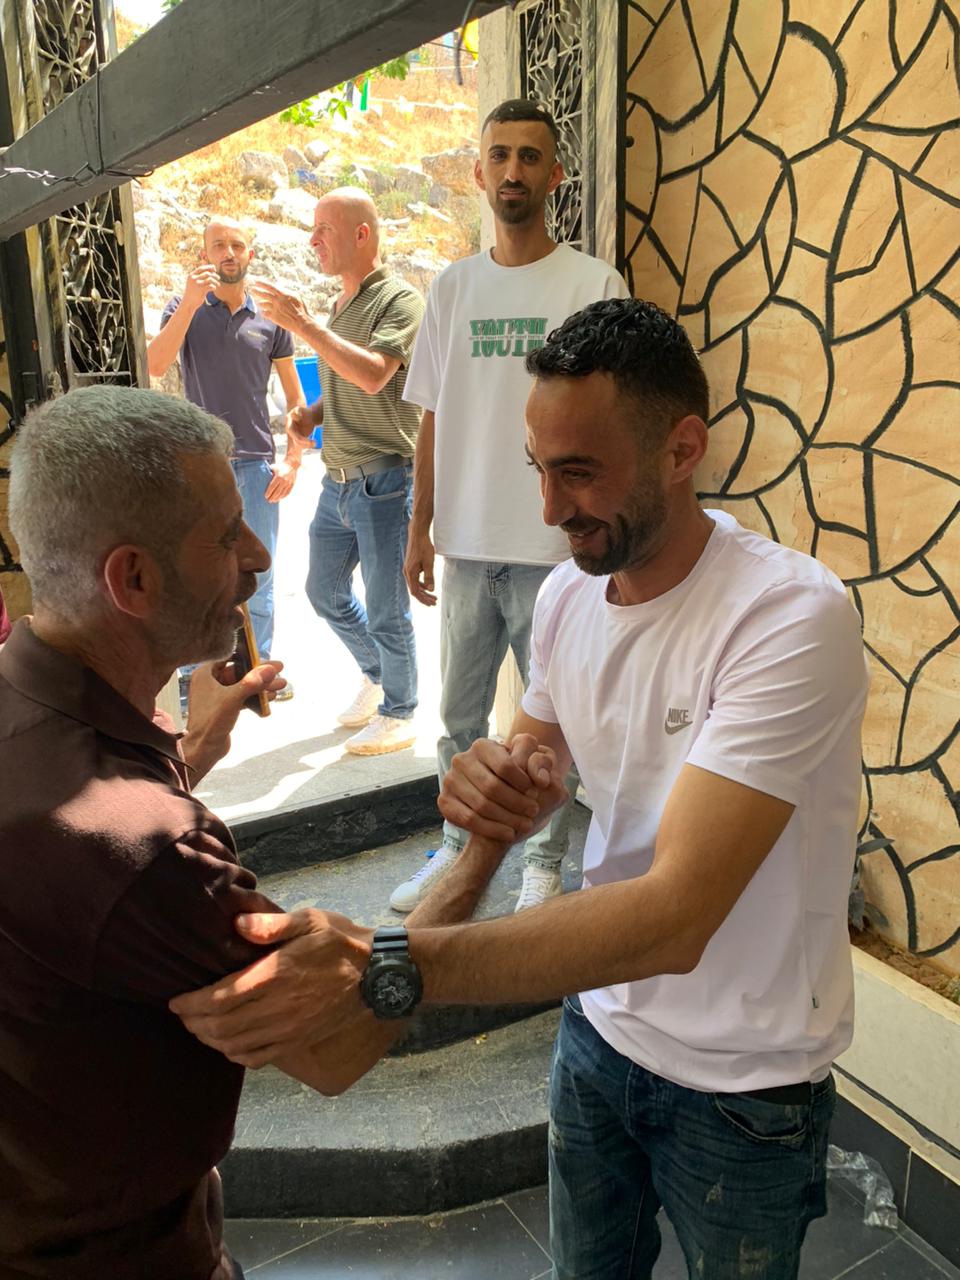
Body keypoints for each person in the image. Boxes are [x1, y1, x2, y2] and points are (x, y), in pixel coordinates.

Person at [171, 299, 869, 1280]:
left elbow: (677, 916)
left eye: (579, 471)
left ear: (683, 449)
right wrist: (490, 801)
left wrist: (387, 962)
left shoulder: (787, 616)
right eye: (537, 467)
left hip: (747, 1079)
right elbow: (524, 773)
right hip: (599, 1031)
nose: (548, 509)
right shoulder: (572, 593)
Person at [0, 385, 499, 1279]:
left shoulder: (22, 714)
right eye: (228, 534)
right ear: (134, 579)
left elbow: (74, 887)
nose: (259, 556)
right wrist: (482, 847)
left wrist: (191, 752)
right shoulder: (144, 847)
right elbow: (334, 1048)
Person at [391, 98, 629, 914]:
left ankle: (543, 862)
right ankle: (457, 849)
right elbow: (431, 415)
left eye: (531, 156)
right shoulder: (452, 288)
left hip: (556, 551)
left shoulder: (593, 284)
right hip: (465, 546)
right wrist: (420, 529)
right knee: (458, 722)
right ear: (479, 171)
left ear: (555, 174)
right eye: (500, 155)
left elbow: (613, 420)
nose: (514, 170)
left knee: (556, 729)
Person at [252, 187, 423, 756]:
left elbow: (374, 376)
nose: (312, 240)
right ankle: (379, 675)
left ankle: (400, 711)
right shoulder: (339, 308)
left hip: (386, 480)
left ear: (361, 234)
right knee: (323, 590)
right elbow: (345, 385)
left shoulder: (400, 300)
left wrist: (304, 326)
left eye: (323, 228)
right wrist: (313, 415)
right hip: (339, 480)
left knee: (387, 607)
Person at [147, 216, 306, 695]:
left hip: (258, 465)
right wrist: (189, 303)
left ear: (249, 254)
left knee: (260, 575)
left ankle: (257, 674)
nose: (228, 253)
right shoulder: (183, 307)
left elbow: (296, 398)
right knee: (195, 574)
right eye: (218, 245)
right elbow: (154, 364)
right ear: (205, 254)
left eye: (237, 245)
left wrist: (293, 459)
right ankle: (195, 681)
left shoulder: (270, 319)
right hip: (202, 465)